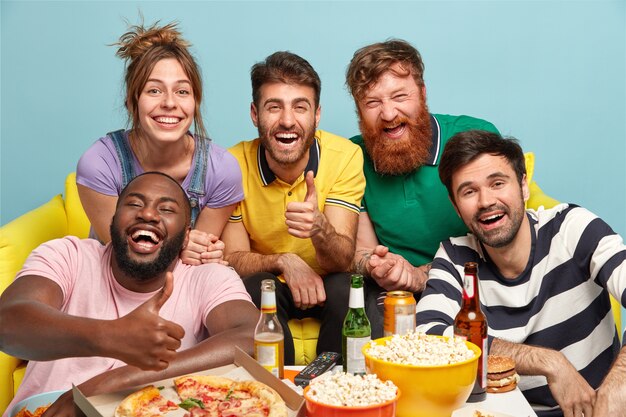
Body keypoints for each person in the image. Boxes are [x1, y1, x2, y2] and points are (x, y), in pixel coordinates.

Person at [0, 172, 259, 417]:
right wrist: (113, 336)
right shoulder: (68, 256)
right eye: (134, 204)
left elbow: (255, 338)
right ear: (113, 222)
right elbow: (6, 324)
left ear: (185, 237)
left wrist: (110, 383)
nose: (147, 214)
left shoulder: (207, 278)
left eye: (167, 209)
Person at [415, 130, 626, 417]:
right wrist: (548, 362)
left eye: (498, 183)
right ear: (456, 206)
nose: (486, 201)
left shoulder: (573, 230)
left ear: (523, 186)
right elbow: (429, 341)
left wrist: (616, 388)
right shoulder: (455, 259)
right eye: (469, 191)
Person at [345, 39, 501, 337]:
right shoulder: (352, 156)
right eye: (372, 103)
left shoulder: (472, 137)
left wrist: (422, 275)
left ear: (423, 93)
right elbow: (362, 249)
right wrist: (377, 265)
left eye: (399, 96)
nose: (388, 114)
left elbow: (499, 242)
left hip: (471, 278)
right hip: (394, 290)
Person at [222, 51, 365, 365]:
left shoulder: (345, 156)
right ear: (254, 114)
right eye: (274, 107)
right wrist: (283, 261)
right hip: (271, 284)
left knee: (349, 288)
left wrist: (319, 228)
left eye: (300, 107)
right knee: (255, 287)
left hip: (330, 282)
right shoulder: (230, 165)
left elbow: (342, 260)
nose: (287, 120)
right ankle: (277, 396)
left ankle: (339, 395)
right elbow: (232, 259)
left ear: (316, 115)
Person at [76, 21, 243, 265]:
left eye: (182, 92)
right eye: (154, 91)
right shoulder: (99, 162)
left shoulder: (222, 170)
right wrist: (184, 243)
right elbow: (126, 257)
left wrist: (200, 252)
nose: (169, 103)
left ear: (195, 103)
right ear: (132, 102)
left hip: (183, 288)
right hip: (114, 287)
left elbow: (193, 262)